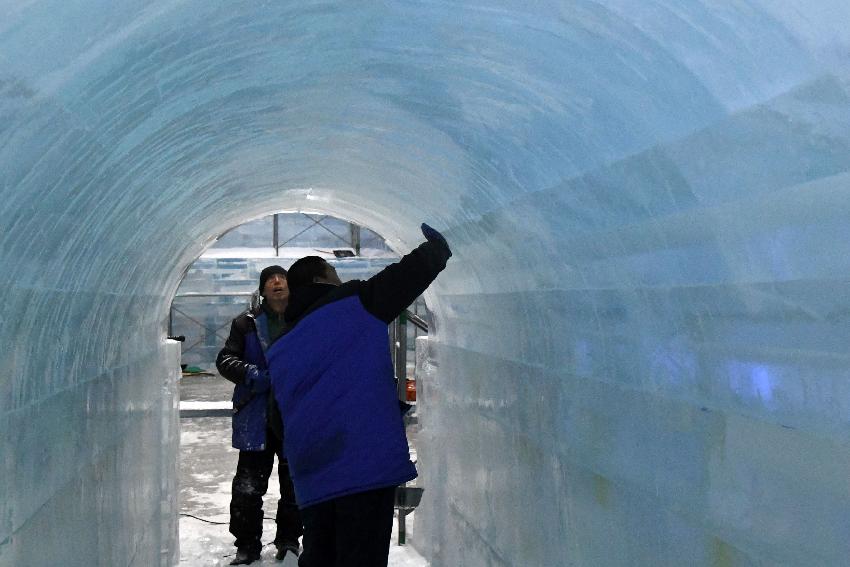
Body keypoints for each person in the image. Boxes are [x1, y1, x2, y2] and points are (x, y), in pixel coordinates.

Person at [266, 223, 452, 567]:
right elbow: (401, 280)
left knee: (322, 557)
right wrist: (438, 248)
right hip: (363, 471)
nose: (339, 278)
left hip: (313, 477)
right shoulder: (352, 304)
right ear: (321, 279)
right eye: (333, 273)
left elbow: (277, 418)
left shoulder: (280, 346)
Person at [216, 265, 303, 565]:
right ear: (263, 289)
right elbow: (225, 360)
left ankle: (289, 541)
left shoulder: (303, 319)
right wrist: (253, 373)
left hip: (294, 415)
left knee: (295, 482)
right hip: (257, 415)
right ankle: (247, 544)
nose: (277, 282)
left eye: (282, 278)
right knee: (248, 487)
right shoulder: (246, 324)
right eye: (270, 279)